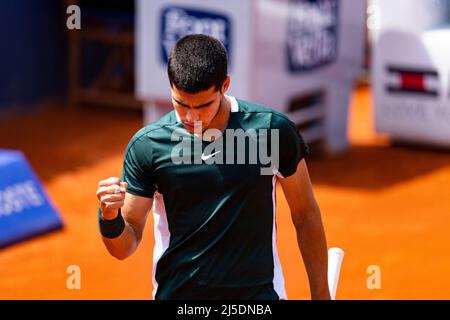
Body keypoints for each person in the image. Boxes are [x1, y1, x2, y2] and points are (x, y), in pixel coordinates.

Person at [96, 34, 330, 300]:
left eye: (203, 105)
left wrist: (321, 296)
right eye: (181, 104)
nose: (191, 117)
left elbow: (305, 215)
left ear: (225, 85)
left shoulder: (271, 131)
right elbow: (124, 246)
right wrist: (110, 217)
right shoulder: (148, 145)